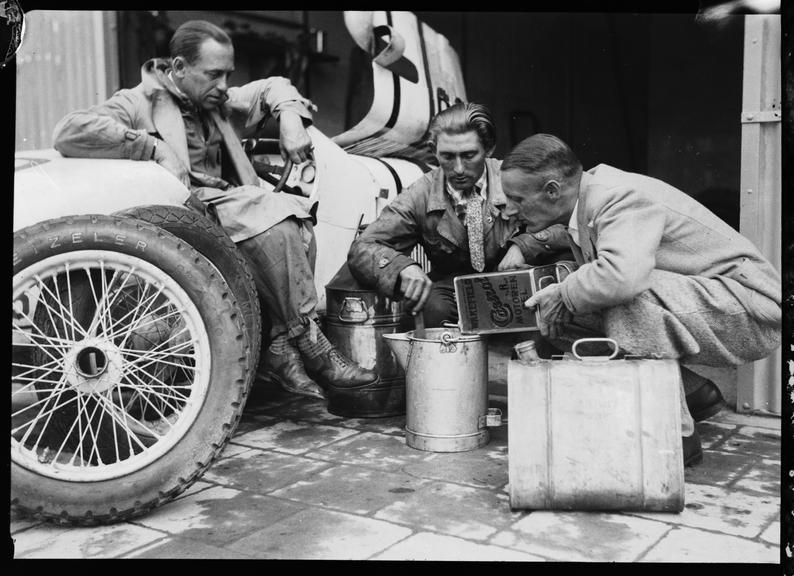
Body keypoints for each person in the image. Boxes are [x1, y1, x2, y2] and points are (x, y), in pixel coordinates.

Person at [52, 19, 378, 399]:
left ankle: (279, 348)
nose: (223, 85)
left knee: (291, 220)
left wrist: (290, 118)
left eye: (228, 74)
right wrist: (152, 147)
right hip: (181, 218)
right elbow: (69, 131)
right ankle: (312, 348)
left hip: (225, 211)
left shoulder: (215, 101)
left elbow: (273, 86)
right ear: (178, 68)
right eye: (213, 74)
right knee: (276, 214)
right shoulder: (136, 101)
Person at [499, 133, 782, 466]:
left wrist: (564, 291)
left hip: (749, 312)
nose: (510, 208)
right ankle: (693, 394)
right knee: (561, 311)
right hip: (710, 302)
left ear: (552, 190)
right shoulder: (587, 201)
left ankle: (672, 436)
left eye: (517, 198)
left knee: (623, 296)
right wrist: (561, 291)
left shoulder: (618, 196)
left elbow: (621, 278)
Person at [347, 102, 572, 328]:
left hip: (518, 283)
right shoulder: (420, 194)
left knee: (558, 277)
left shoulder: (516, 178)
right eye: (447, 156)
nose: (459, 169)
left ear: (489, 149)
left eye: (468, 155)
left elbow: (569, 224)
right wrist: (401, 267)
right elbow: (363, 247)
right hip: (453, 288)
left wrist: (524, 246)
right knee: (429, 308)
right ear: (433, 149)